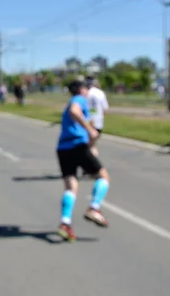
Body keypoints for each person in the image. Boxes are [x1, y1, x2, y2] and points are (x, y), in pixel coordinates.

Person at [56, 80, 110, 242]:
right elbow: (75, 111)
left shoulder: (82, 102)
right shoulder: (79, 100)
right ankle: (94, 208)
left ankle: (65, 223)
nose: (88, 91)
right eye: (86, 88)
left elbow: (89, 114)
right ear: (80, 89)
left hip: (63, 148)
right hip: (77, 145)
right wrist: (90, 129)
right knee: (103, 176)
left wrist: (91, 125)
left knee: (71, 186)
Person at [85, 76, 109, 157]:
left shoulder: (84, 93)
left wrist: (91, 112)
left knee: (89, 145)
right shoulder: (100, 93)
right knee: (93, 144)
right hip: (98, 123)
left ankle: (90, 164)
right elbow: (105, 109)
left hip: (86, 123)